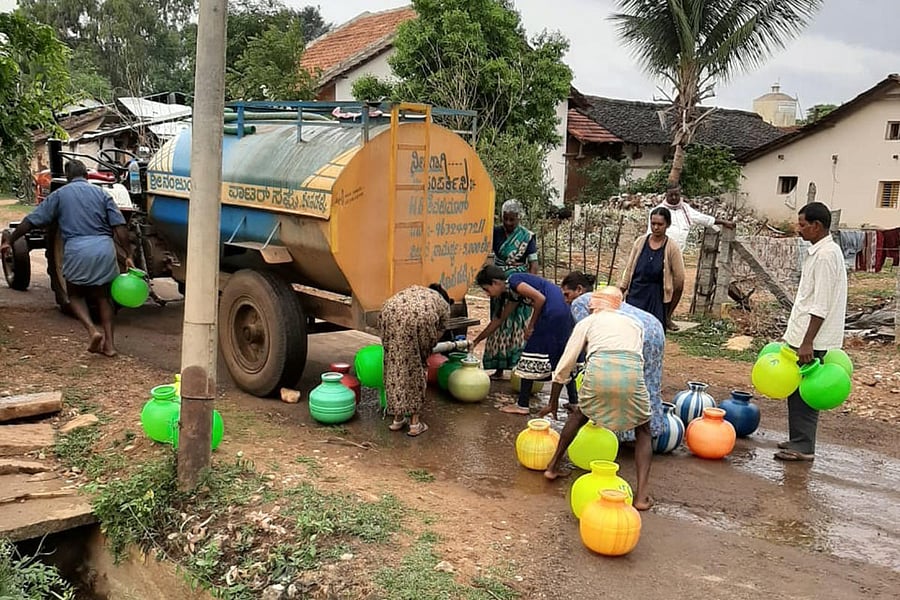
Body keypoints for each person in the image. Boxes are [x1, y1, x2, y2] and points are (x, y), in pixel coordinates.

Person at [1, 160, 132, 356]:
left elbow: (30, 221)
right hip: (104, 249)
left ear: (67, 177)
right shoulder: (102, 194)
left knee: (75, 295)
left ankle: (92, 331)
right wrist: (128, 254)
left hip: (77, 248)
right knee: (104, 298)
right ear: (86, 176)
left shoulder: (59, 195)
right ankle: (110, 345)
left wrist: (10, 240)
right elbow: (119, 227)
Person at [543, 289, 654, 511]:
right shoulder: (634, 323)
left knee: (580, 415)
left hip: (600, 370)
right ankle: (641, 497)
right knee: (643, 431)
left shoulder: (588, 322)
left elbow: (567, 362)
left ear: (592, 307)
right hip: (631, 373)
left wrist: (552, 401)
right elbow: (635, 356)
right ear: (617, 306)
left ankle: (552, 466)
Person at [555, 275, 665, 445]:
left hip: (639, 333)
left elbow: (594, 341)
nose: (565, 300)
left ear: (579, 290)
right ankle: (651, 431)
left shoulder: (582, 304)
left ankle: (621, 434)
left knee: (614, 377)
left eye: (567, 294)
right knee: (646, 382)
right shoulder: (608, 299)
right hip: (654, 327)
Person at [775, 202, 847, 461]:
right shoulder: (819, 252)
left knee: (807, 390)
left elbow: (821, 305)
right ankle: (798, 439)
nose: (798, 229)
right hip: (805, 333)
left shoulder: (827, 256)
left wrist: (808, 342)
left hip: (813, 336)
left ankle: (804, 445)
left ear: (817, 226)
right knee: (797, 388)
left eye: (803, 224)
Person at [472, 265, 577, 415]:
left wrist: (531, 325)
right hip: (563, 314)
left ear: (496, 282)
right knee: (563, 356)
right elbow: (499, 320)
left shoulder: (514, 280)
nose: (488, 295)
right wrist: (476, 341)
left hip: (551, 314)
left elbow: (540, 299)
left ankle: (522, 405)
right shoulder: (513, 293)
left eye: (486, 290)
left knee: (529, 356)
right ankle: (574, 401)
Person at [379, 284, 453, 437]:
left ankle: (397, 419)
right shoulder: (443, 304)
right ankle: (415, 423)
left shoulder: (416, 291)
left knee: (394, 366)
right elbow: (439, 332)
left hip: (388, 311)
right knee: (415, 368)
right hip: (419, 315)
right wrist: (424, 352)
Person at [482, 199, 539, 380]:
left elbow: (533, 264)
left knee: (517, 327)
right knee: (498, 322)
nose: (508, 223)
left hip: (519, 286)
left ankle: (517, 368)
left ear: (518, 218)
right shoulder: (495, 233)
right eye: (505, 219)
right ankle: (498, 368)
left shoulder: (527, 237)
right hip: (498, 287)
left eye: (512, 220)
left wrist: (530, 287)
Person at [620, 206, 686, 329]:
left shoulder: (671, 247)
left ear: (667, 225)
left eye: (660, 224)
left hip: (656, 298)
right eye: (653, 223)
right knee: (632, 331)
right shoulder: (640, 242)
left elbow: (679, 279)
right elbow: (629, 268)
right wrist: (622, 290)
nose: (656, 227)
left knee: (653, 332)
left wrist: (669, 309)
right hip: (636, 295)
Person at [649, 182, 734, 250]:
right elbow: (650, 234)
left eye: (676, 195)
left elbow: (702, 218)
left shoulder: (685, 208)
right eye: (671, 195)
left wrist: (723, 222)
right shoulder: (657, 211)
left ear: (680, 194)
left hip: (677, 253)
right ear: (666, 194)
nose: (674, 197)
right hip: (660, 252)